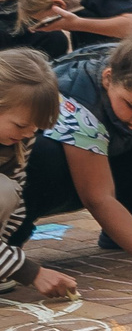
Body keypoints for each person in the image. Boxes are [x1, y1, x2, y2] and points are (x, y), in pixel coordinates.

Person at [19, 30, 132, 281]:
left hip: (103, 154)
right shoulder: (77, 100)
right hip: (34, 175)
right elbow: (98, 197)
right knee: (44, 155)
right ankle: (9, 244)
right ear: (108, 78)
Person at [0, 49, 78, 300]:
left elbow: (15, 204)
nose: (28, 133)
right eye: (22, 125)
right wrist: (29, 272)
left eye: (36, 127)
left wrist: (6, 258)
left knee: (8, 190)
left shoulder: (20, 138)